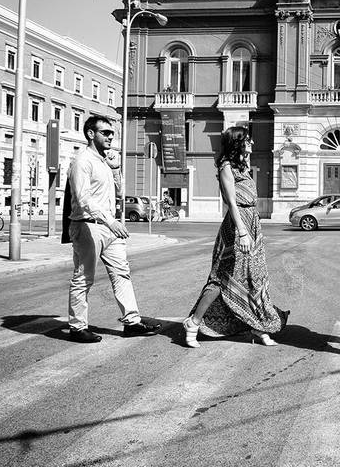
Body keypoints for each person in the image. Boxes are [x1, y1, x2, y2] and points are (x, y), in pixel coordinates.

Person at [182, 126, 288, 348]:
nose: (251, 143)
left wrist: (252, 231)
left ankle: (258, 326)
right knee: (221, 278)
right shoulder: (226, 167)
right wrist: (242, 232)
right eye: (247, 140)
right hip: (237, 226)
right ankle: (193, 323)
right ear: (237, 143)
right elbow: (231, 202)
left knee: (255, 277)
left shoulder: (244, 166)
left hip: (253, 224)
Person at [66, 115, 161, 343]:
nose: (110, 136)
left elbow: (119, 191)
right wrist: (110, 222)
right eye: (105, 132)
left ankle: (132, 322)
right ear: (91, 134)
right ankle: (77, 327)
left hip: (109, 229)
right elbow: (83, 199)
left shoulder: (103, 161)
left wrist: (116, 168)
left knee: (122, 274)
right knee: (83, 278)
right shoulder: (82, 161)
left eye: (111, 133)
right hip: (88, 227)